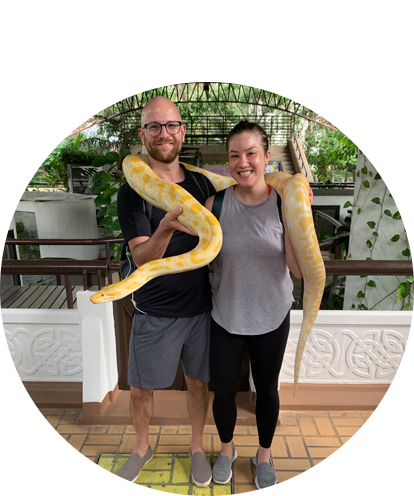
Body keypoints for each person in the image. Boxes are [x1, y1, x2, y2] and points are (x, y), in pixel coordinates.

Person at [116, 96, 216, 489]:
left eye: (171, 125)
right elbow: (141, 257)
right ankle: (142, 447)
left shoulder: (201, 183)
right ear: (142, 134)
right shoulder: (134, 190)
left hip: (201, 307)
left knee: (198, 383)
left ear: (182, 130)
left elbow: (240, 210)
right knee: (140, 388)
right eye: (154, 127)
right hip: (154, 309)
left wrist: (292, 189)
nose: (163, 133)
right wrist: (167, 228)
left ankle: (195, 446)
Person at [205, 121, 309, 491]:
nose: (243, 162)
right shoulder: (215, 203)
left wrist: (301, 221)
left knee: (266, 390)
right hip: (226, 314)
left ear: (267, 157)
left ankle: (264, 454)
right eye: (235, 155)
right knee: (225, 392)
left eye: (251, 153)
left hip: (271, 314)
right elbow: (202, 256)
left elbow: (296, 269)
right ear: (228, 162)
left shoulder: (285, 203)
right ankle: (227, 449)